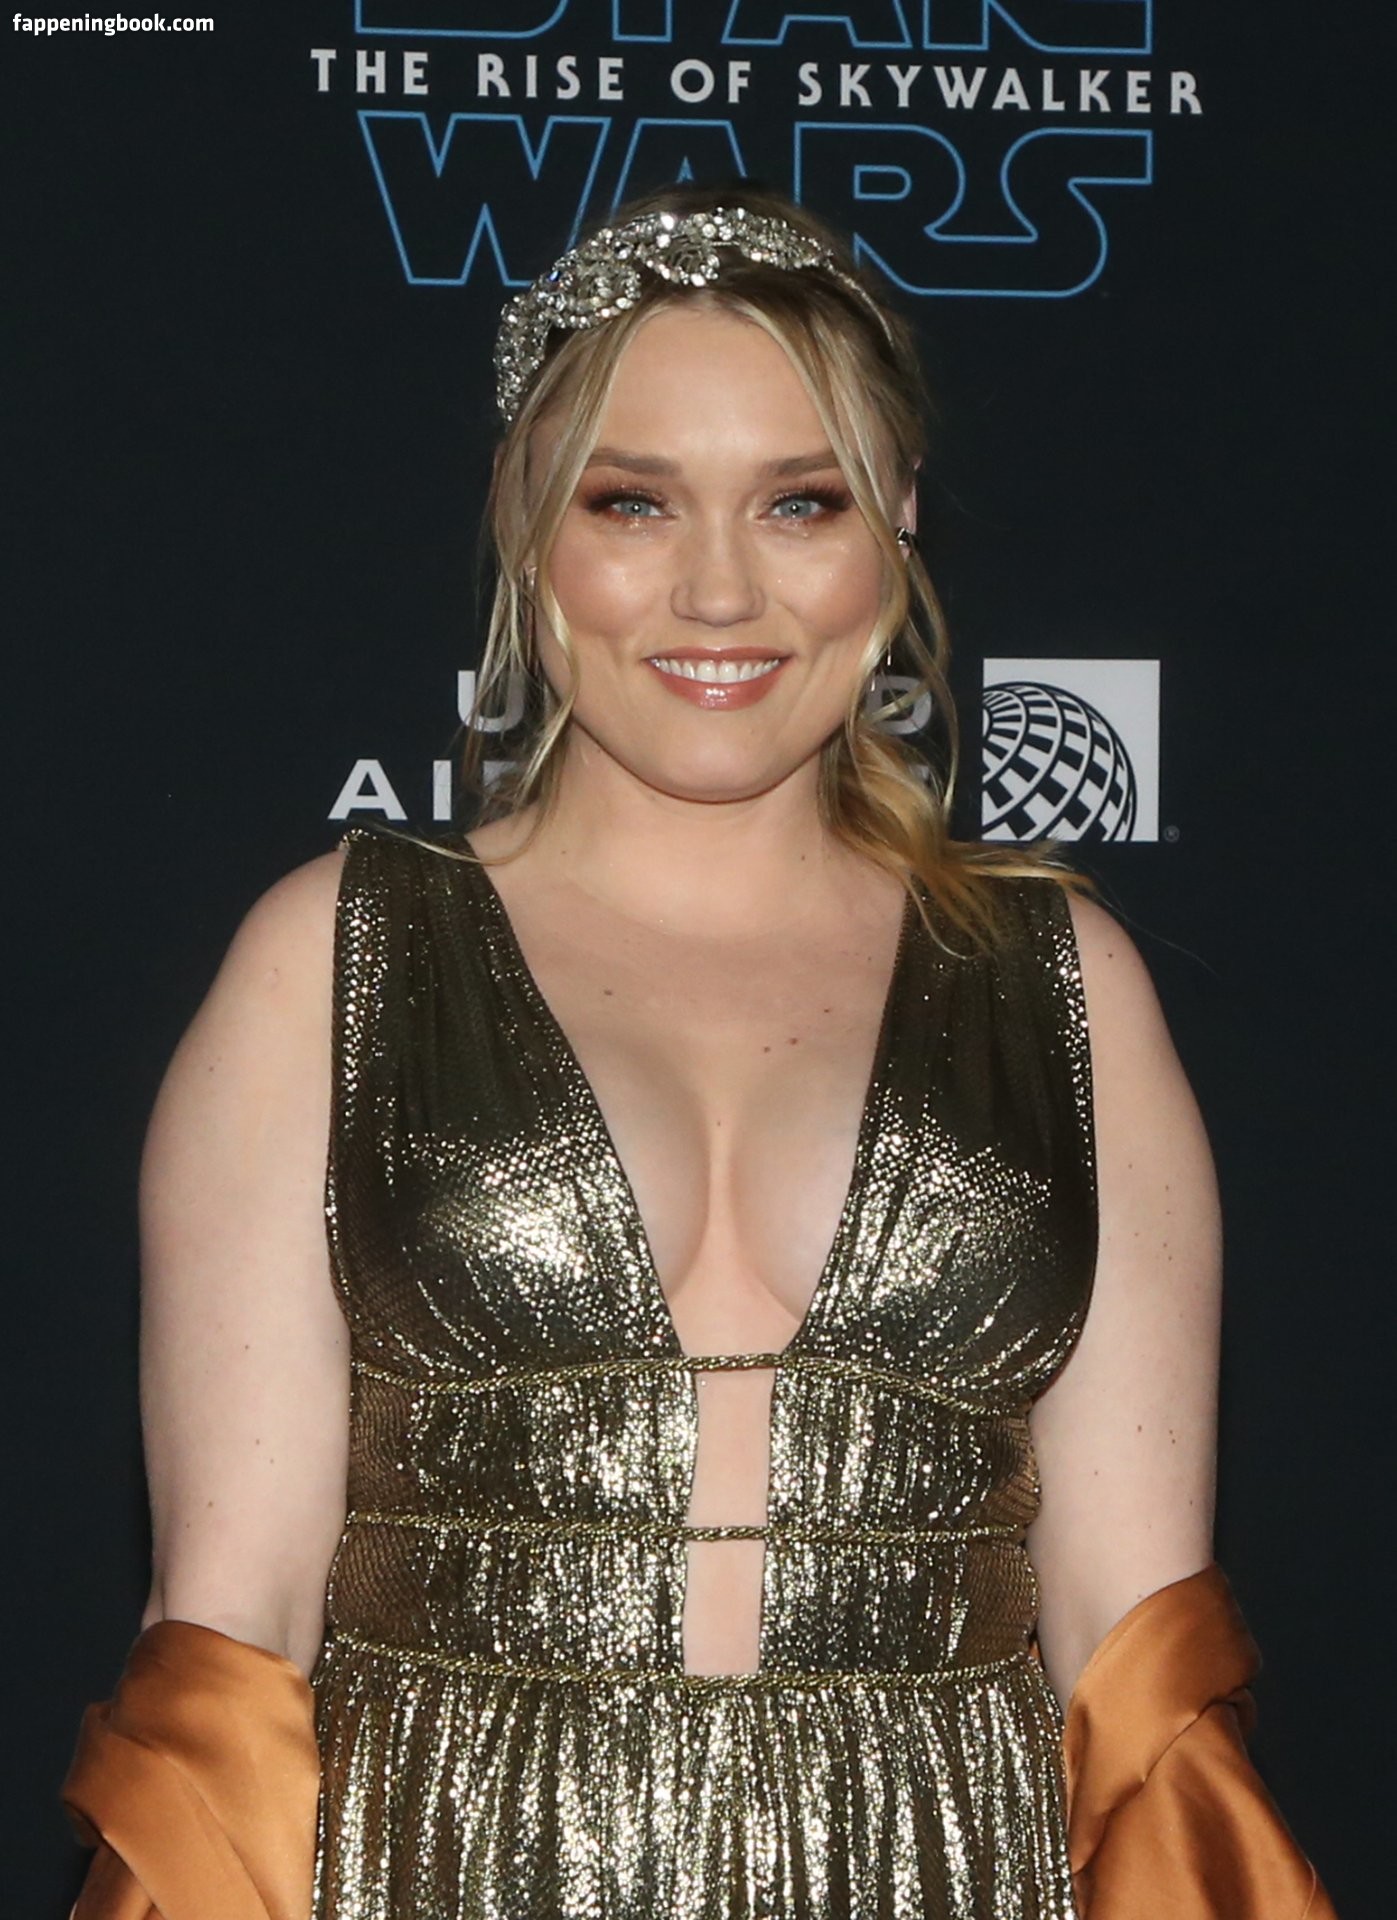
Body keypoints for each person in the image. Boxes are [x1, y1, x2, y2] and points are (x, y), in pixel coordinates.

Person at [62, 184, 1335, 1920]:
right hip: (448, 1866)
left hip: (938, 1872)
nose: (719, 591)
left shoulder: (1059, 985)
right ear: (526, 519)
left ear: (894, 520)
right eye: (633, 501)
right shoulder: (335, 958)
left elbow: (1136, 1652)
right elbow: (233, 1626)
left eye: (799, 502)